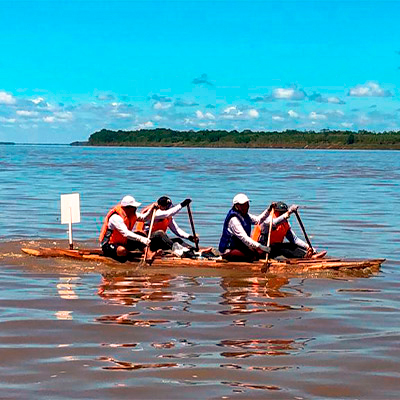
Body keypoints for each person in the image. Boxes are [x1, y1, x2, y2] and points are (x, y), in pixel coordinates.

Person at [252, 201, 327, 259]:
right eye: (280, 212)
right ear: (275, 211)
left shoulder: (285, 224)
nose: (283, 214)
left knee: (290, 245)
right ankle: (305, 257)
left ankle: (309, 255)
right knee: (277, 246)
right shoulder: (267, 220)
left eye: (284, 212)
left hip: (272, 251)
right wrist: (290, 212)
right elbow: (274, 223)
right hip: (260, 250)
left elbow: (294, 239)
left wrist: (308, 247)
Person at [99, 195, 158, 262]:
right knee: (122, 250)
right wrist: (142, 239)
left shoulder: (132, 214)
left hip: (123, 241)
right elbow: (126, 233)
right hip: (109, 244)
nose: (136, 208)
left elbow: (144, 218)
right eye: (134, 207)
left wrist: (152, 209)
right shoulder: (116, 217)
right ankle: (129, 255)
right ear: (127, 208)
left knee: (140, 233)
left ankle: (149, 255)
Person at [218, 193, 272, 262]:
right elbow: (244, 238)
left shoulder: (246, 215)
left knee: (261, 253)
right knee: (252, 255)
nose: (246, 207)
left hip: (239, 247)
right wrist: (260, 246)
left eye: (247, 204)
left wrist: (268, 210)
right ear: (236, 206)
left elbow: (258, 220)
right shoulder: (234, 220)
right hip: (228, 250)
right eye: (243, 205)